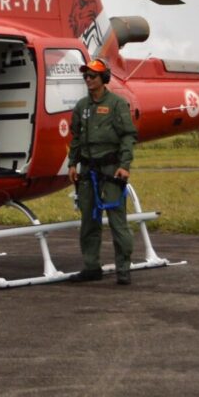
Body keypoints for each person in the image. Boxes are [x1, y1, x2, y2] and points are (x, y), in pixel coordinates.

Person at [66, 58, 138, 285]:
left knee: (118, 221)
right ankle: (91, 267)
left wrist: (124, 166)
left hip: (111, 169)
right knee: (89, 221)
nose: (88, 80)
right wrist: (72, 164)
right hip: (88, 170)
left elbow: (128, 136)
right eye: (86, 76)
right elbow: (76, 137)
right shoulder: (81, 107)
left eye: (93, 76)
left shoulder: (117, 104)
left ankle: (123, 269)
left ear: (103, 79)